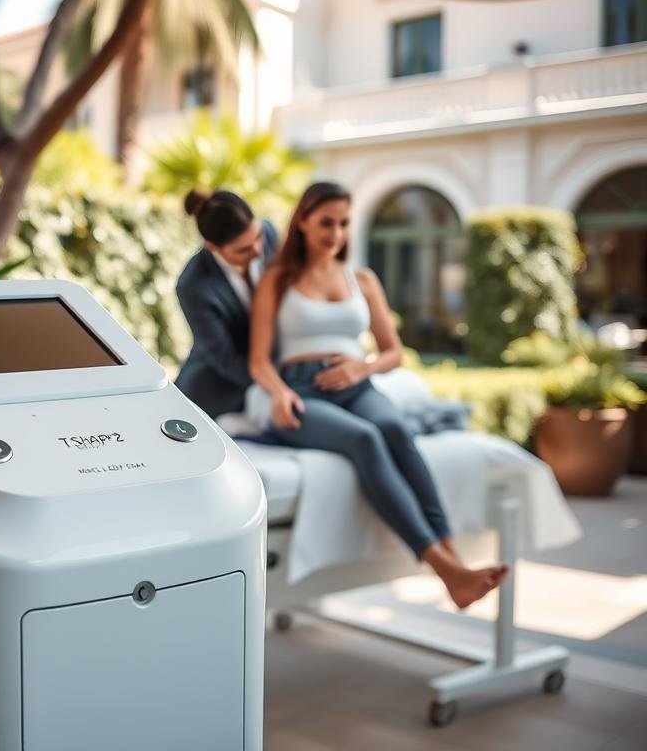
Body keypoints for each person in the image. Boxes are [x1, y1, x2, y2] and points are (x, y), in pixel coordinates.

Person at [249, 181, 507, 609]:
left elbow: (394, 352)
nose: (336, 233)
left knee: (393, 427)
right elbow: (258, 360)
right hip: (302, 390)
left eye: (344, 223)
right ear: (304, 223)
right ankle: (445, 569)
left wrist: (361, 366)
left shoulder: (363, 280)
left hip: (357, 383)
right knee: (364, 439)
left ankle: (453, 558)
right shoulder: (277, 280)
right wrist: (277, 394)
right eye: (326, 222)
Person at [175, 189, 279, 418]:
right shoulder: (193, 285)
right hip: (217, 386)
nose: (258, 250)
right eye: (243, 249)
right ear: (212, 246)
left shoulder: (269, 234)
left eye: (257, 237)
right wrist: (276, 383)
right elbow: (227, 360)